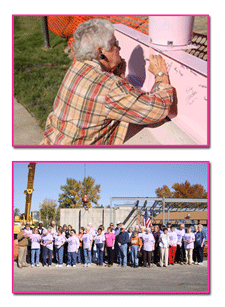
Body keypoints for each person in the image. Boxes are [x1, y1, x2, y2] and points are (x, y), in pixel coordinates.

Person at [40, 18, 173, 146]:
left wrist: (118, 79)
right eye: (115, 44)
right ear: (100, 52)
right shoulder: (109, 86)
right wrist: (161, 75)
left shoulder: (76, 67)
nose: (119, 49)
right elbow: (158, 110)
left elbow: (101, 100)